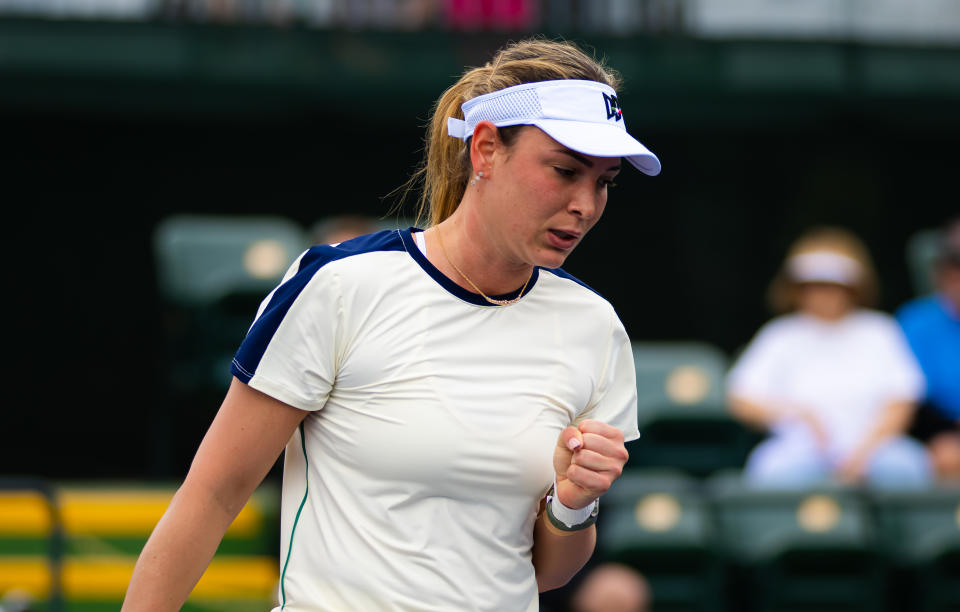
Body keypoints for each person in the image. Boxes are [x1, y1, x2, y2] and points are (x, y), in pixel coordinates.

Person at [122, 38, 661, 611]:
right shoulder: (338, 286)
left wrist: (574, 503)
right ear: (484, 150)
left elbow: (547, 574)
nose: (586, 203)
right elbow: (212, 496)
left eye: (603, 181)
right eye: (565, 170)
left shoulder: (594, 326)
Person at [726, 227, 932, 489]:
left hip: (877, 447)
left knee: (909, 467)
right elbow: (741, 398)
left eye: (833, 286)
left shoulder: (879, 330)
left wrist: (864, 452)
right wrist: (799, 414)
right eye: (813, 286)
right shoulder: (780, 334)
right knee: (770, 470)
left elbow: (902, 399)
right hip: (798, 449)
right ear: (796, 289)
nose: (823, 295)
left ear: (853, 287)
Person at [897, 217, 960, 481]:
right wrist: (939, 436)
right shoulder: (915, 322)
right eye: (955, 264)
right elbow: (904, 396)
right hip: (938, 438)